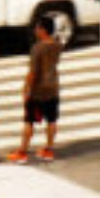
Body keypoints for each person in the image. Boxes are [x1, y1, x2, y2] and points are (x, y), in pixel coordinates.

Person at [8, 16, 62, 163]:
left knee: (29, 121)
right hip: (53, 87)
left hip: (38, 90)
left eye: (37, 28)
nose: (35, 31)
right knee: (51, 120)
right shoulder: (57, 45)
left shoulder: (37, 48)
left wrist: (26, 89)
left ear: (43, 30)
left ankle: (22, 151)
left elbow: (33, 72)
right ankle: (49, 149)